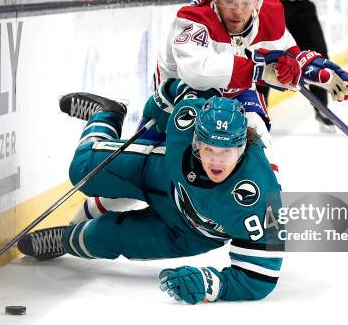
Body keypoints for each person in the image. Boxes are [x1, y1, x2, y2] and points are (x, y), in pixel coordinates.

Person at [18, 90, 284, 303]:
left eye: (226, 152)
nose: (216, 161)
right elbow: (173, 90)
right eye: (209, 149)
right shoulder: (188, 118)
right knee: (82, 170)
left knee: (103, 237)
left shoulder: (261, 196)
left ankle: (65, 241)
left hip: (192, 234)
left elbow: (260, 276)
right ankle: (106, 114)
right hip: (159, 173)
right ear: (195, 142)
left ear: (242, 147)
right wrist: (156, 106)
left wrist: (211, 285)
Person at [154, 0, 348, 143]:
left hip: (232, 93)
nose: (238, 11)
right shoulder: (195, 19)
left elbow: (290, 59)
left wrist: (317, 75)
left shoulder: (268, 14)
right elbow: (196, 72)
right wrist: (259, 70)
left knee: (259, 136)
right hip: (178, 95)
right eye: (229, 0)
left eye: (246, 1)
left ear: (258, 0)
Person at [232, 0, 348, 132]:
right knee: (263, 59)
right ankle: (257, 114)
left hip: (302, 6)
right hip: (271, 6)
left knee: (318, 55)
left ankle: (321, 108)